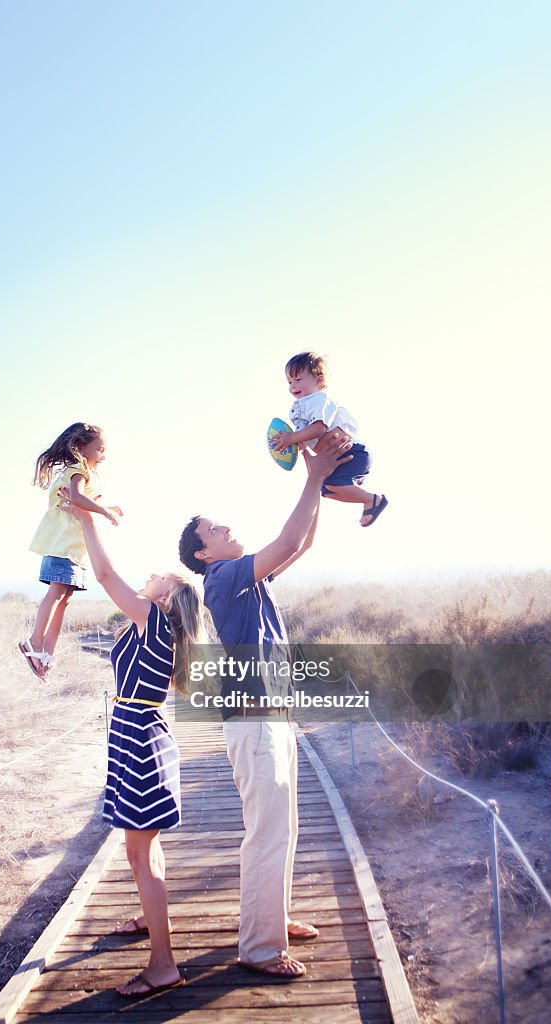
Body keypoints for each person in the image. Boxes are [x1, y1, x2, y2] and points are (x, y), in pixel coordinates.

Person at [178, 431, 350, 979]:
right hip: (254, 721)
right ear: (204, 552)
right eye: (215, 529)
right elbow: (282, 543)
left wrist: (318, 487)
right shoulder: (223, 577)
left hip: (271, 717)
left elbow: (299, 544)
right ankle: (258, 948)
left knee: (285, 827)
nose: (226, 527)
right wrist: (315, 476)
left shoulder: (245, 582)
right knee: (267, 832)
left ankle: (274, 919)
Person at [61, 495, 206, 997]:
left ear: (165, 597)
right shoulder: (154, 622)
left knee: (141, 854)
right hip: (137, 735)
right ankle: (152, 917)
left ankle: (163, 965)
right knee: (141, 849)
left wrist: (84, 519)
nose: (152, 574)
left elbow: (103, 576)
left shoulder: (153, 618)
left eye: (161, 576)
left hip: (140, 740)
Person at [19, 422, 122, 678]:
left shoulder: (78, 474)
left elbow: (81, 501)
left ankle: (45, 655)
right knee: (56, 593)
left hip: (72, 549)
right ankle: (34, 642)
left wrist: (102, 505)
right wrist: (105, 511)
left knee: (64, 598)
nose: (103, 455)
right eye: (99, 449)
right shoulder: (78, 470)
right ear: (81, 448)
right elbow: (76, 498)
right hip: (62, 546)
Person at [271, 351, 388, 527]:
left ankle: (372, 500)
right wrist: (295, 446)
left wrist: (292, 438)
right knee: (327, 490)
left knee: (335, 485)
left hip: (352, 453)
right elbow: (306, 440)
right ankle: (368, 501)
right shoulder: (301, 407)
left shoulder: (319, 399)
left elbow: (319, 428)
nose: (292, 385)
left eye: (298, 379)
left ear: (318, 381)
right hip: (336, 458)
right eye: (289, 381)